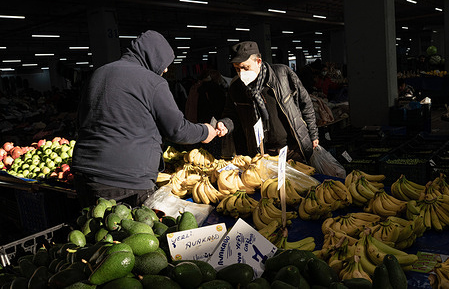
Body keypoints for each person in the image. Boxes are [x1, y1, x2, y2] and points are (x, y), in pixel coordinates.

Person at [72, 30, 217, 208]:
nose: (165, 69)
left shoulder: (97, 74)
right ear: (153, 56)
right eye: (164, 63)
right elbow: (177, 130)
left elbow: (81, 122)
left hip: (84, 175)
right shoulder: (153, 82)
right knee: (130, 232)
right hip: (126, 183)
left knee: (96, 233)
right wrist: (205, 131)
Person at [215, 41, 319, 163]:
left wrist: (313, 133)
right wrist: (225, 124)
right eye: (237, 69)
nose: (241, 73)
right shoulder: (236, 87)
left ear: (258, 62)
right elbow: (231, 115)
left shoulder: (282, 75)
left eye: (245, 67)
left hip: (293, 149)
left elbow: (305, 103)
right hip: (262, 155)